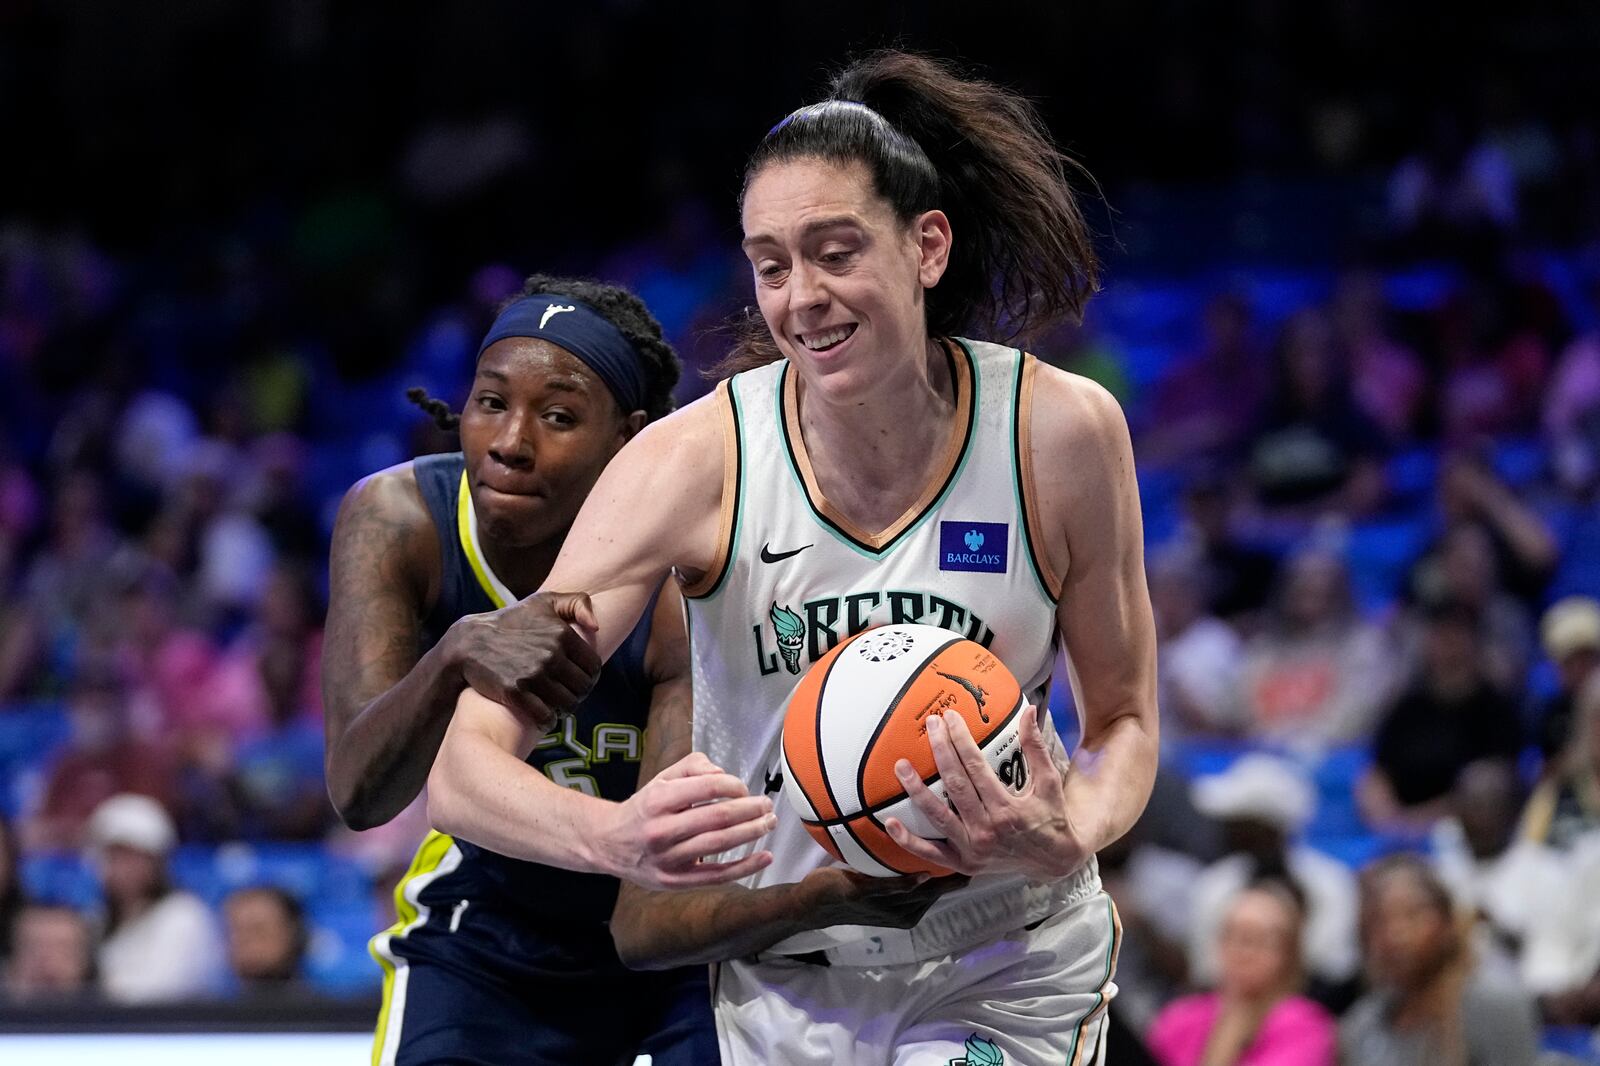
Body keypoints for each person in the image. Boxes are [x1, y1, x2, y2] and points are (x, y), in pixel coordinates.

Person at [433, 52, 1159, 1066]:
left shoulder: (1059, 432)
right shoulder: (691, 463)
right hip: (784, 976)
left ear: (927, 247)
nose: (801, 297)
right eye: (771, 265)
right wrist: (611, 837)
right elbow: (466, 766)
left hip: (1004, 958)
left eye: (834, 252)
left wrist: (1070, 824)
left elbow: (1122, 719)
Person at [322, 274, 759, 1065]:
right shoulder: (400, 520)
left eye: (558, 418)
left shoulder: (681, 579)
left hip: (676, 937)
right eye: (491, 403)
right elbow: (360, 792)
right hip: (489, 927)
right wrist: (455, 652)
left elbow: (648, 909)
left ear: (629, 439)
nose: (511, 442)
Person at [1341, 855, 1539, 1066]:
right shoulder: (1361, 1025)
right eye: (1378, 920)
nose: (1395, 934)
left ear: (1449, 923)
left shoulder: (1495, 1005)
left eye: (1413, 914)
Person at [1146, 881, 1336, 1066]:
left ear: (1289, 953)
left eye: (1259, 939)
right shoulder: (1180, 1018)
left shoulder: (1307, 1027)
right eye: (1234, 935)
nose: (1244, 952)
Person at [87, 793, 225, 1003]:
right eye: (114, 857)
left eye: (134, 857)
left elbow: (159, 993)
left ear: (158, 862)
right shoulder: (96, 920)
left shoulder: (185, 916)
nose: (123, 869)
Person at [223, 886, 309, 997]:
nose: (244, 940)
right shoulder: (209, 1009)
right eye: (236, 930)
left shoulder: (326, 1011)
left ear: (292, 933)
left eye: (258, 930)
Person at [3, 903, 97, 1005]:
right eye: (34, 950)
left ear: (84, 963)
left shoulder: (107, 1017)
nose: (47, 963)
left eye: (61, 950)